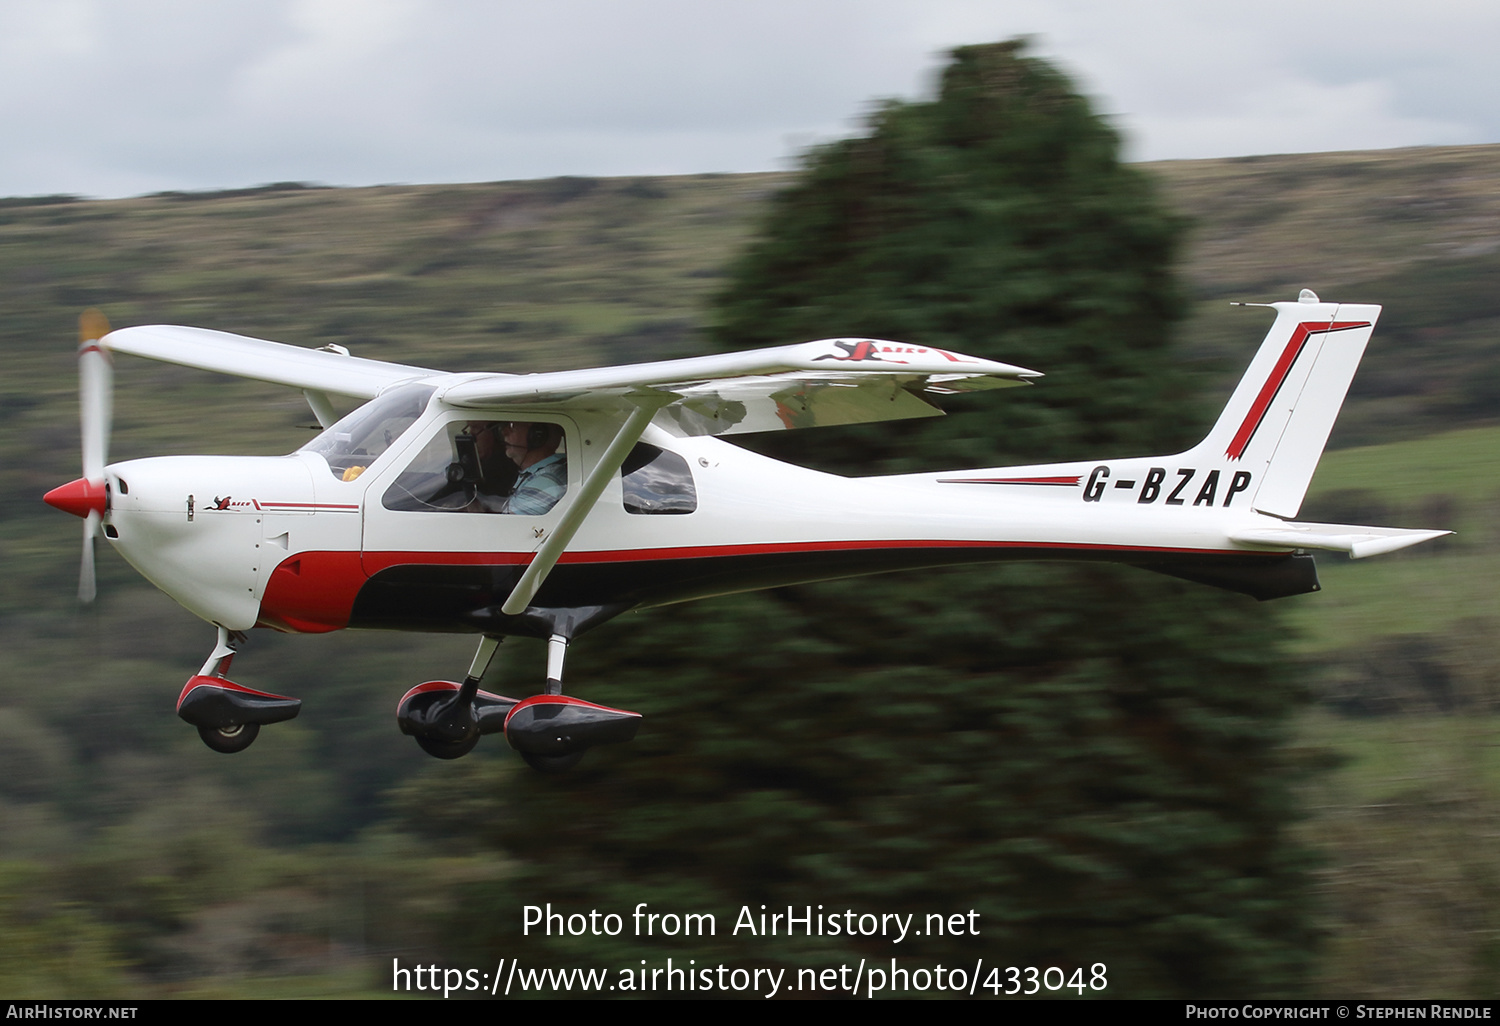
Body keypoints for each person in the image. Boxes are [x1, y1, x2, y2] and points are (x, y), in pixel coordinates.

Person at [498, 421, 567, 514]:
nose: (504, 432)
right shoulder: (539, 473)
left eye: (512, 425)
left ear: (537, 436)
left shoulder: (548, 480)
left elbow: (508, 526)